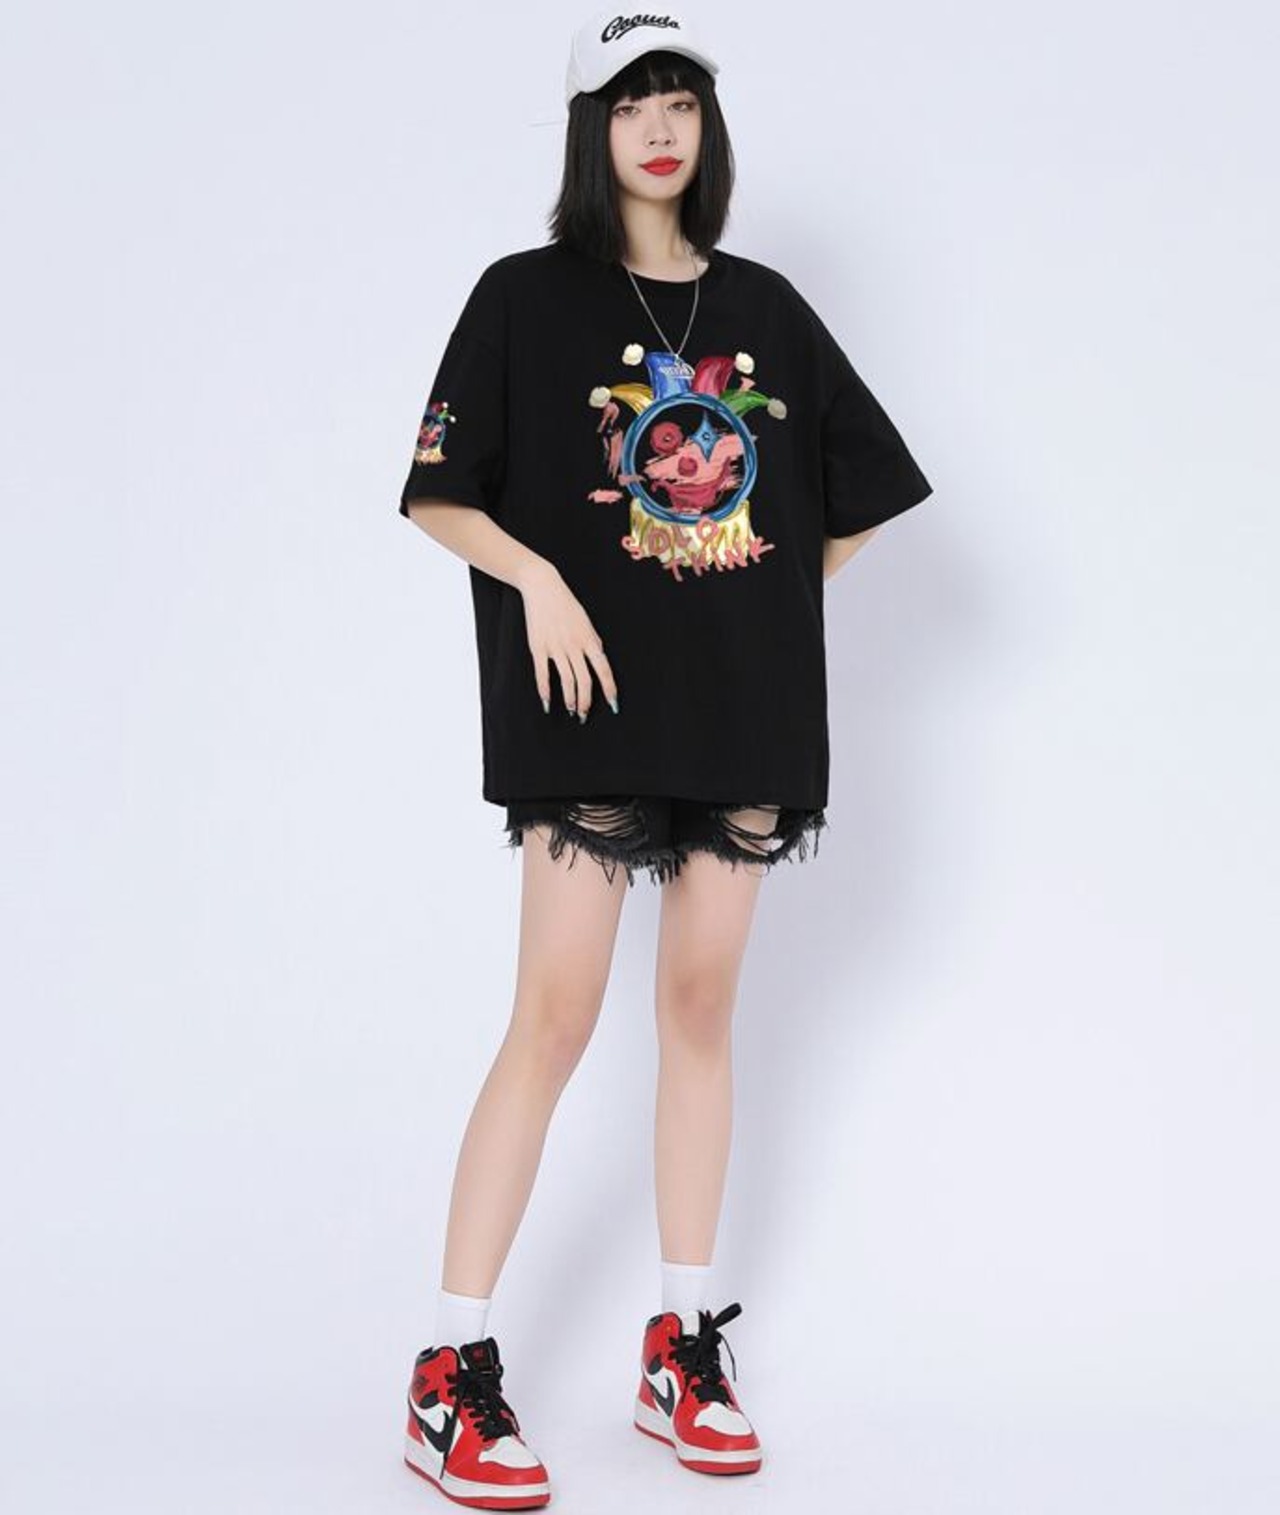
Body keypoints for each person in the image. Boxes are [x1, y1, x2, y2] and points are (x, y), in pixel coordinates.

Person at [395, 8, 934, 1507]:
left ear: (709, 126)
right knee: (555, 1015)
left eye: (682, 99)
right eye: (632, 100)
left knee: (701, 1007)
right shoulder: (523, 297)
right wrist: (545, 581)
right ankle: (449, 1367)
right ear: (593, 126)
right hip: (585, 711)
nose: (659, 125)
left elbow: (857, 492)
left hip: (742, 713)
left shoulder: (768, 304)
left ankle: (680, 1343)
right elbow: (439, 490)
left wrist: (751, 610)